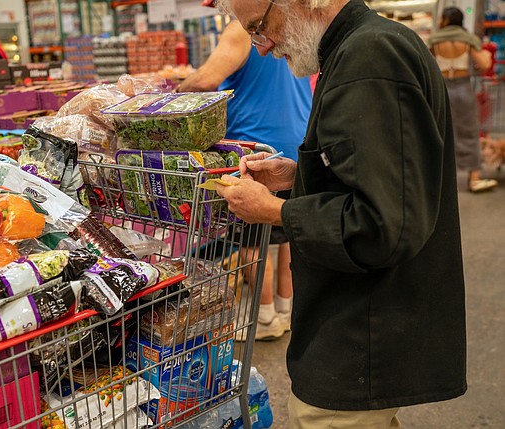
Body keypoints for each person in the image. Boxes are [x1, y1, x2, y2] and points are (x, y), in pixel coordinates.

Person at [213, 0, 467, 427]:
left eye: (260, 26)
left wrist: (275, 211)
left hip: (360, 338)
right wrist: (298, 177)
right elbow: (380, 177)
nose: (262, 46)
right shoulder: (361, 48)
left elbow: (381, 224)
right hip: (361, 330)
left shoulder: (368, 59)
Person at [177, 15, 313, 341]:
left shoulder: (241, 30)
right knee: (285, 234)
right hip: (295, 141)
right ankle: (284, 309)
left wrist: (172, 96)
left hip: (256, 149)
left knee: (252, 240)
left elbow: (205, 80)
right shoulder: (285, 25)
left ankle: (263, 315)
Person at [429, 7, 497, 193]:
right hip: (463, 87)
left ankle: (438, 181)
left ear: (445, 20)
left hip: (442, 89)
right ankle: (474, 179)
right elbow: (483, 64)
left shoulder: (435, 39)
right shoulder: (467, 39)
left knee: (439, 132)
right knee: (469, 132)